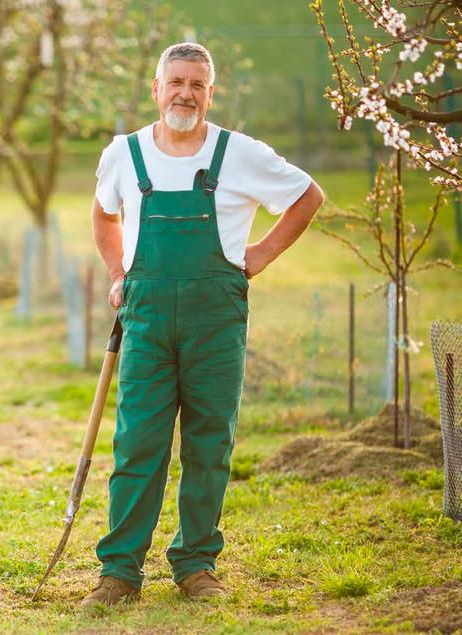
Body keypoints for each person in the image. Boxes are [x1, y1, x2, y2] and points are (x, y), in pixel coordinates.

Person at [82, 42, 325, 610]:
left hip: (215, 321)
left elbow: (308, 196)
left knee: (209, 442)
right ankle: (118, 572)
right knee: (138, 443)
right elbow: (102, 212)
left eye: (197, 84)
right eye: (176, 83)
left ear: (211, 94)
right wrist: (118, 271)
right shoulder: (126, 153)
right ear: (156, 88)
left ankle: (196, 564)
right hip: (145, 321)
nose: (185, 93)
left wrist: (260, 253)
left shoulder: (240, 154)